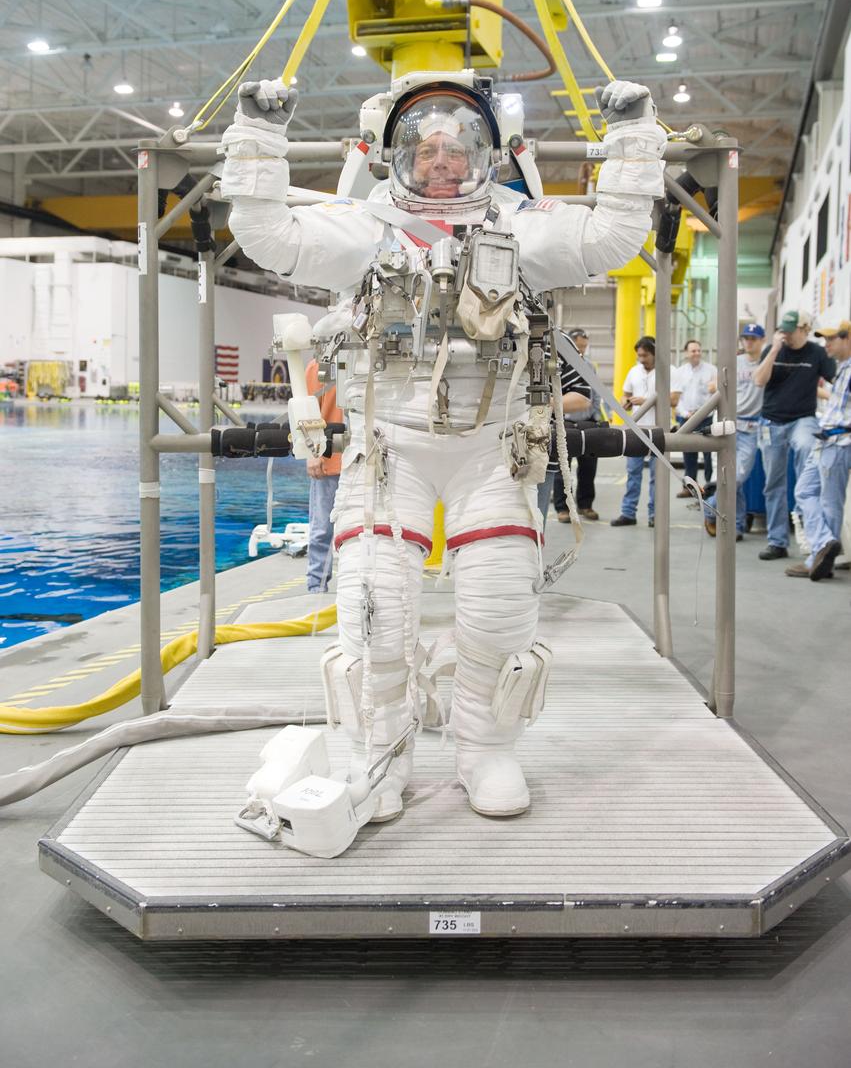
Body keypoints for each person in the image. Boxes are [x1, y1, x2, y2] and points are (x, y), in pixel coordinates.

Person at [221, 72, 666, 821]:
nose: (439, 161)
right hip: (388, 448)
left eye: (455, 148)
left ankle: (484, 749)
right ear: (395, 153)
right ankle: (376, 757)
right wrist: (259, 134)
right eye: (423, 149)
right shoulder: (364, 228)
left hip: (489, 451)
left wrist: (630, 136)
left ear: (483, 154)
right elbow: (266, 235)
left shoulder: (520, 225)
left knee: (497, 610)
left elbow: (613, 236)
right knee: (373, 612)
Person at [752, 309, 836, 561]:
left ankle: (808, 532)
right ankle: (777, 541)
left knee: (805, 454)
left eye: (790, 330)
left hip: (803, 418)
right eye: (783, 330)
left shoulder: (817, 353)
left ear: (804, 329)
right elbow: (759, 380)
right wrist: (775, 349)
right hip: (771, 420)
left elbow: (836, 379)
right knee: (773, 484)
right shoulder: (773, 350)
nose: (785, 334)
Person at [784, 320, 851, 581]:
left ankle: (820, 560)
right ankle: (824, 544)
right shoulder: (842, 369)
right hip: (825, 440)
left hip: (839, 441)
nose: (827, 345)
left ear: (847, 339)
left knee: (829, 503)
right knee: (803, 491)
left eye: (832, 339)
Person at [703, 323, 765, 541]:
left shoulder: (766, 363)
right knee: (731, 480)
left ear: (762, 340)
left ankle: (710, 508)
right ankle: (737, 526)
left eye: (753, 338)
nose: (749, 341)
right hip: (728, 425)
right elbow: (712, 386)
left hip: (751, 428)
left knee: (737, 479)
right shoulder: (734, 362)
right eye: (746, 338)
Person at [611, 336, 681, 529]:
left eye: (645, 355)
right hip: (636, 430)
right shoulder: (634, 371)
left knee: (657, 476)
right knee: (633, 473)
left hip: (660, 431)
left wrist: (645, 401)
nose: (642, 359)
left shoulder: (669, 371)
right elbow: (625, 394)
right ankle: (628, 513)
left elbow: (674, 400)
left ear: (655, 353)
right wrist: (625, 402)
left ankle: (655, 515)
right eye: (639, 355)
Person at [536, 353, 591, 530]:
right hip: (481, 454)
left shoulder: (556, 343)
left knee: (532, 534)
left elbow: (583, 397)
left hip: (538, 457)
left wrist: (540, 404)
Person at [553, 327, 603, 521]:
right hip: (566, 423)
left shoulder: (589, 366)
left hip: (589, 424)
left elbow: (596, 393)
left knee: (588, 469)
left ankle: (585, 505)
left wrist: (595, 416)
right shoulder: (559, 366)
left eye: (584, 346)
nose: (581, 350)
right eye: (578, 347)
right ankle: (563, 509)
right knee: (561, 469)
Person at [304, 358, 343, 594]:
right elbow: (307, 412)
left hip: (365, 458)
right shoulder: (318, 367)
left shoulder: (372, 358)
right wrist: (313, 452)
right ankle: (316, 586)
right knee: (322, 529)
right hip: (328, 459)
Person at [673, 338, 716, 494]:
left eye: (699, 350)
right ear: (686, 353)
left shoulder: (711, 370)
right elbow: (677, 398)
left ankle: (709, 488)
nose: (697, 353)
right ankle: (689, 488)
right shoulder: (680, 372)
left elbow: (716, 395)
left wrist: (703, 412)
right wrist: (685, 413)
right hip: (686, 418)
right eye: (693, 350)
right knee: (689, 454)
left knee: (709, 454)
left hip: (706, 418)